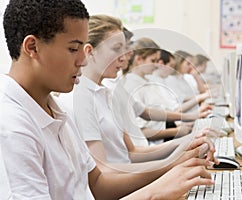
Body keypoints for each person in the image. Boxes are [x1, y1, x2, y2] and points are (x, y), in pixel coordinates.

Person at [0, 1, 216, 199]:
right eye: (73, 49)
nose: (83, 60)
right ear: (32, 47)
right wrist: (154, 192)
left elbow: (96, 183)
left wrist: (175, 162)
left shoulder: (54, 109)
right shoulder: (12, 127)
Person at [72, 14, 217, 172]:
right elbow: (103, 174)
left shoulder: (105, 93)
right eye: (117, 49)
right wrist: (174, 163)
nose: (125, 56)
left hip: (131, 174)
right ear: (90, 51)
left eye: (125, 49)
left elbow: (132, 153)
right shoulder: (81, 97)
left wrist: (188, 141)